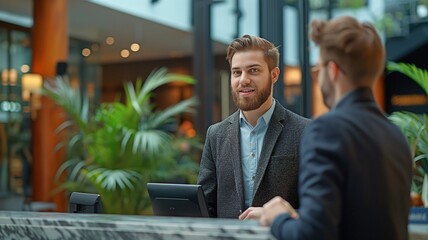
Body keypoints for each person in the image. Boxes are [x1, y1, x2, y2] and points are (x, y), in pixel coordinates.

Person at [240, 16, 413, 239]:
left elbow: (313, 234)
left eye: (318, 69)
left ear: (332, 70)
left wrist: (278, 218)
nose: (318, 78)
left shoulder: (327, 130)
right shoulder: (395, 135)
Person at [197, 35, 311, 218]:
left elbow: (318, 209)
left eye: (253, 70)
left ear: (274, 75)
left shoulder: (305, 131)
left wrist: (280, 215)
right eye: (236, 72)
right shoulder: (216, 134)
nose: (243, 80)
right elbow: (205, 207)